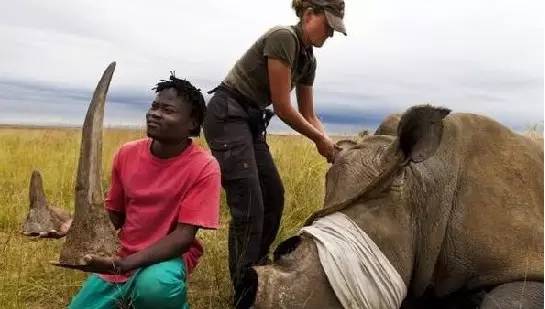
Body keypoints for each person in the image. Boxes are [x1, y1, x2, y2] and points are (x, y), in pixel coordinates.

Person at [203, 0, 346, 306]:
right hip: (228, 114)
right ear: (309, 15)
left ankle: (257, 268)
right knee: (250, 206)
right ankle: (243, 294)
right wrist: (319, 141)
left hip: (250, 121)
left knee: (274, 196)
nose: (330, 36)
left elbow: (308, 113)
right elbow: (283, 108)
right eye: (328, 26)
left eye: (335, 30)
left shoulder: (308, 59)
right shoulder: (283, 38)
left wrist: (329, 143)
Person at [68, 74, 221, 309]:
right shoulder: (126, 154)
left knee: (155, 289)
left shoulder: (204, 167)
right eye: (154, 106)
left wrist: (123, 265)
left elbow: (183, 238)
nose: (155, 113)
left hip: (168, 260)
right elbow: (115, 214)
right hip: (122, 256)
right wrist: (75, 226)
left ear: (191, 124)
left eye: (167, 110)